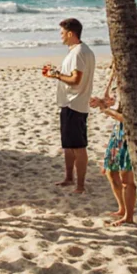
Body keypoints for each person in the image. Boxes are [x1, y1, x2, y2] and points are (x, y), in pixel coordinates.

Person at [43, 18, 95, 194]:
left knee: (78, 147)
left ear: (70, 33)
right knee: (68, 145)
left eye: (62, 33)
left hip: (75, 103)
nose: (61, 37)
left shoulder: (79, 52)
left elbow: (75, 79)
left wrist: (57, 75)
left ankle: (80, 185)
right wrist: (56, 74)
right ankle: (69, 177)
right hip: (69, 103)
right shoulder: (78, 51)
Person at [91, 93, 136, 226]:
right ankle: (122, 208)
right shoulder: (124, 85)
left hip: (130, 135)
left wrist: (105, 108)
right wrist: (103, 104)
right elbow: (120, 111)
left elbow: (127, 118)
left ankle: (129, 215)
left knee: (126, 178)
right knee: (110, 171)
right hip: (118, 133)